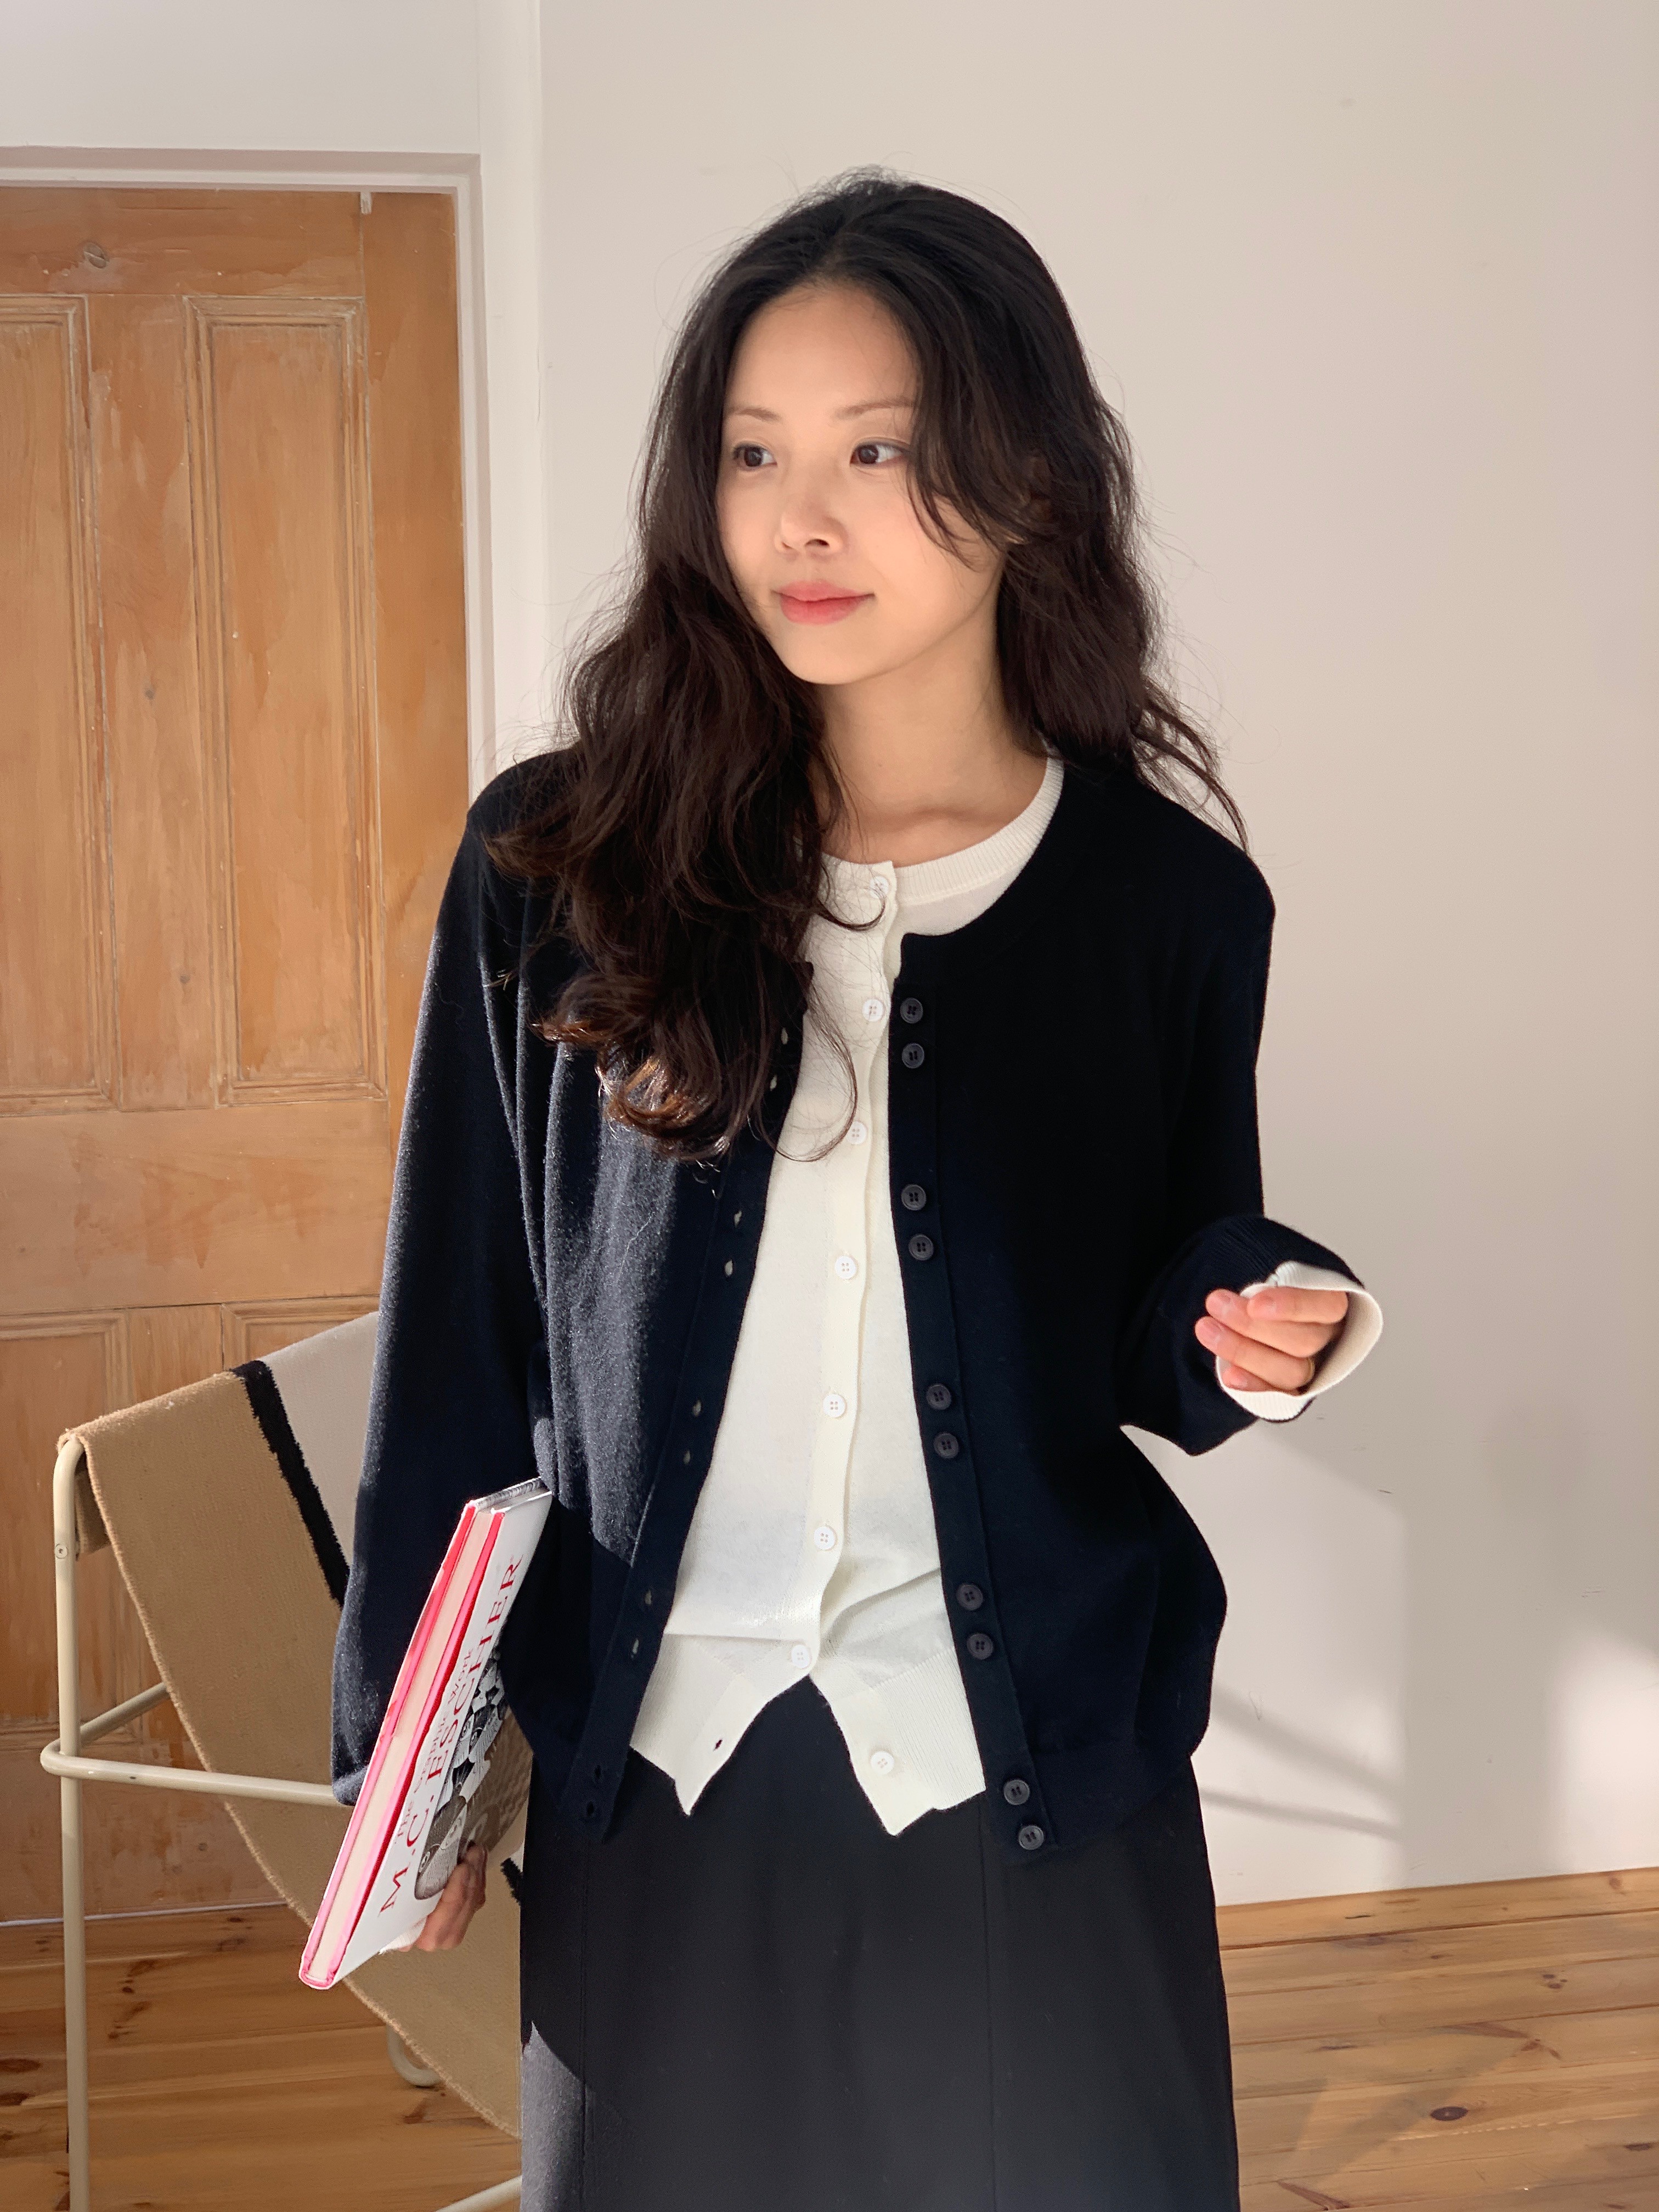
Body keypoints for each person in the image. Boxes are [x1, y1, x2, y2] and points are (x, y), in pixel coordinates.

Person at [331, 168, 1383, 2211]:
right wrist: (403, 1749)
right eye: (753, 455)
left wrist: (1262, 1327)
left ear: (1030, 482)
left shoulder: (1171, 905)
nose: (799, 522)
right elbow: (461, 1332)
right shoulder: (558, 866)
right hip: (661, 1792)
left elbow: (1152, 1320)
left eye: (877, 453)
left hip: (1036, 1792)